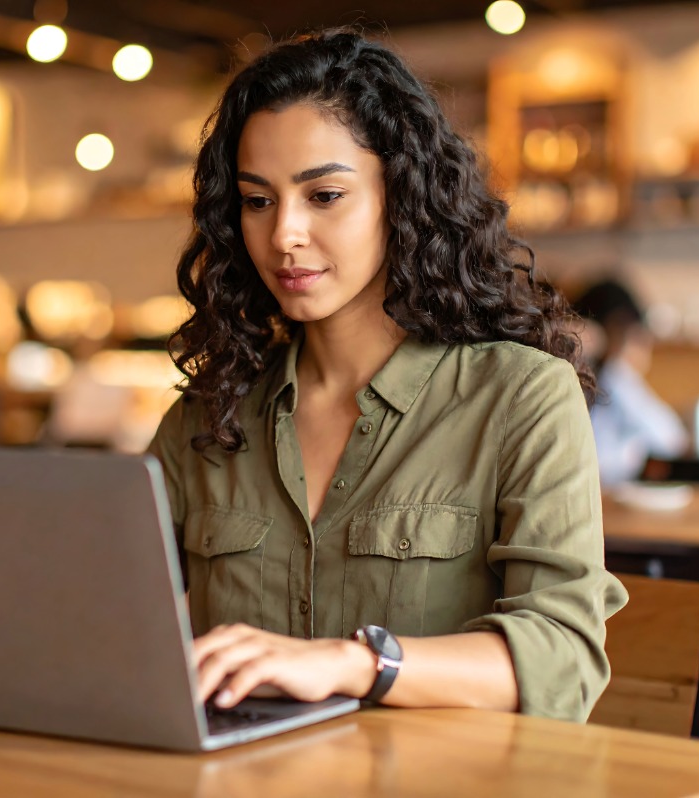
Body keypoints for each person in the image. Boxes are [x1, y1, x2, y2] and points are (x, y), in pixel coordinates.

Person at [147, 29, 627, 723]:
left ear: (400, 196)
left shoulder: (522, 397)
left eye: (324, 196)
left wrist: (354, 663)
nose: (284, 234)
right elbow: (106, 617)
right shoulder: (208, 416)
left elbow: (563, 655)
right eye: (258, 201)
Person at [571, 279, 688, 486]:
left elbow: (672, 439)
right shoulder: (602, 381)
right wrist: (617, 367)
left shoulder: (613, 383)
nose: (645, 344)